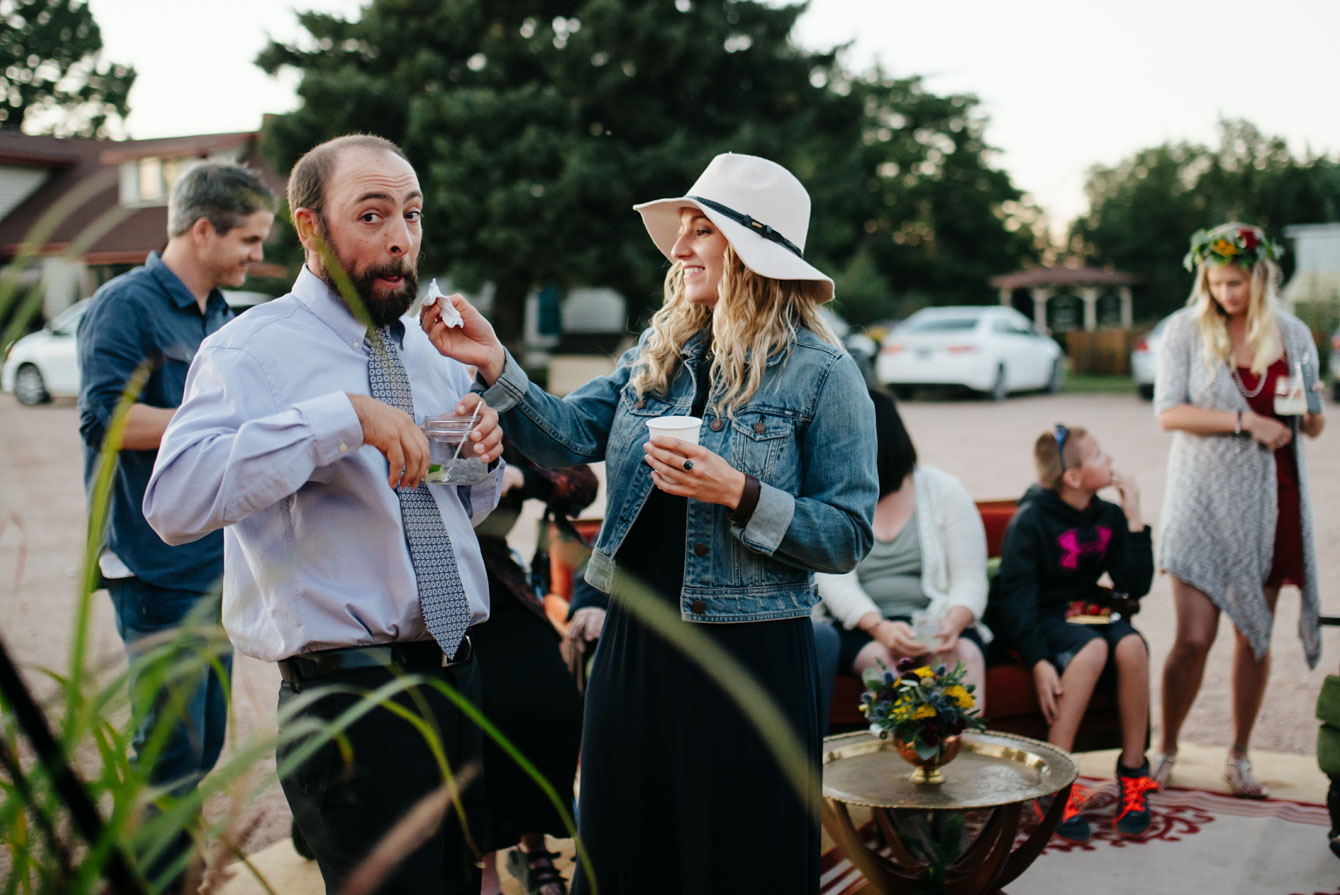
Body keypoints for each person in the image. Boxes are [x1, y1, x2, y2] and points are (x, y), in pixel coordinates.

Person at [419, 152, 877, 894]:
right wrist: (496, 361)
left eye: (703, 229)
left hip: (749, 656)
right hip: (637, 646)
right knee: (626, 855)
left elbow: (848, 532)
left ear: (754, 252)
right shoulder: (656, 355)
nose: (680, 246)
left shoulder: (825, 373)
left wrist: (742, 492)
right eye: (682, 229)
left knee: (735, 861)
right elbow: (566, 434)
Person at [143, 134, 505, 895]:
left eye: (411, 213)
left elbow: (457, 506)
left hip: (458, 677)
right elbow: (173, 503)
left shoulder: (434, 350)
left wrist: (484, 459)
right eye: (372, 215)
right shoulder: (248, 351)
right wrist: (336, 418)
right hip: (350, 704)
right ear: (309, 228)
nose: (401, 237)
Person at [75, 161, 275, 889]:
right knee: (165, 752)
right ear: (201, 230)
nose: (258, 255)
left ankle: (173, 870)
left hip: (210, 562)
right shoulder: (123, 307)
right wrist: (227, 421)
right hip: (151, 562)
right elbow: (108, 419)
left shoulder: (219, 314)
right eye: (249, 239)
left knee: (203, 743)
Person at [1154, 222, 1325, 799]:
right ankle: (1167, 748)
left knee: (1254, 637)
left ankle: (1240, 754)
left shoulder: (1294, 334)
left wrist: (1309, 400)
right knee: (1193, 640)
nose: (1228, 293)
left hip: (1272, 501)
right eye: (1218, 282)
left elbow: (1314, 424)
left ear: (1261, 274)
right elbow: (1168, 412)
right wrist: (1242, 421)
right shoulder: (1185, 331)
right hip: (1201, 501)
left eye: (1237, 281)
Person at [993, 425, 1156, 842]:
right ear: (1073, 477)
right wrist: (1038, 660)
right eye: (1100, 455)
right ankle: (1054, 782)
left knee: (1134, 645)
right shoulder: (1031, 520)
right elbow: (1016, 598)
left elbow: (1134, 585)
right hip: (1043, 616)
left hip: (1087, 610)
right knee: (1094, 649)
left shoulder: (1109, 515)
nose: (1110, 461)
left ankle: (1134, 773)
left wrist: (1134, 514)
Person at [815, 389, 990, 710]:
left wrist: (952, 623)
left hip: (937, 620)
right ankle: (902, 756)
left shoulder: (945, 491)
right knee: (881, 662)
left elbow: (971, 578)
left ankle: (960, 753)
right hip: (866, 627)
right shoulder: (837, 496)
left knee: (962, 655)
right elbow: (833, 580)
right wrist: (879, 628)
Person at [474, 443, 595, 895]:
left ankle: (533, 845)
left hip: (493, 580)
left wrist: (525, 479)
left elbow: (581, 482)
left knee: (554, 706)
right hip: (406, 584)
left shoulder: (486, 408)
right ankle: (482, 867)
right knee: (479, 716)